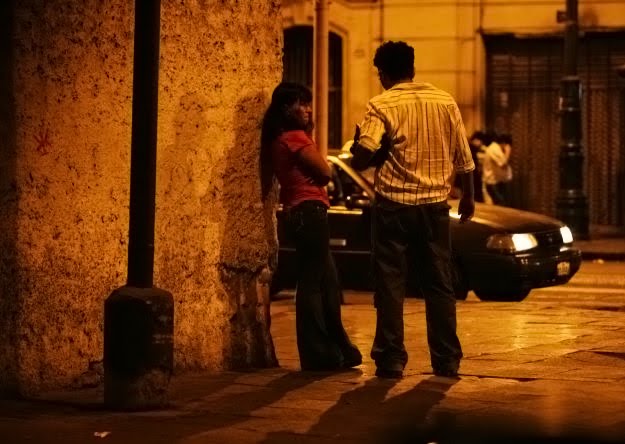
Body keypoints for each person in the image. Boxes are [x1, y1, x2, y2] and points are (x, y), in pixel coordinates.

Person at [350, 41, 475, 379]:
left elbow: (361, 157)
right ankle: (446, 360)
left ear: (383, 73)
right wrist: (468, 197)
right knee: (439, 284)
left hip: (394, 206)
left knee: (390, 283)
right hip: (435, 206)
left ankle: (391, 359)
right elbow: (463, 155)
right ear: (413, 67)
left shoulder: (381, 104)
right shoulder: (445, 100)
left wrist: (365, 143)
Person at [262, 82, 362, 371]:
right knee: (313, 283)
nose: (307, 110)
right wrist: (310, 140)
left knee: (327, 282)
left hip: (300, 211)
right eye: (300, 104)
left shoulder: (281, 137)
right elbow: (324, 172)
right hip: (310, 210)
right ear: (285, 108)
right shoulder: (295, 138)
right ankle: (318, 352)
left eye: (308, 104)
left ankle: (338, 347)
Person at [482, 132, 513, 206]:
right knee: (501, 205)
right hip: (492, 182)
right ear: (504, 143)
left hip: (496, 182)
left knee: (501, 205)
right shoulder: (494, 149)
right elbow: (503, 164)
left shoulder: (495, 149)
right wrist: (508, 152)